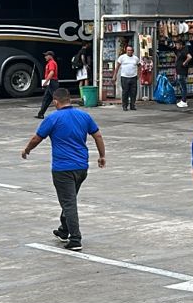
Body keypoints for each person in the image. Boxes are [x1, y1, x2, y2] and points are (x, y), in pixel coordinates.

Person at [22, 87, 106, 253]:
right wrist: (102, 156)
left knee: (69, 203)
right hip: (82, 168)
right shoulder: (84, 116)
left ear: (55, 101)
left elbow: (36, 138)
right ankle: (63, 230)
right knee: (69, 199)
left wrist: (27, 150)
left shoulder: (53, 118)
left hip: (63, 169)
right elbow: (98, 135)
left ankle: (75, 239)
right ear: (70, 100)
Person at [115, 44, 142, 111]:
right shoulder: (122, 57)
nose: (129, 51)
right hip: (124, 77)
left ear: (133, 51)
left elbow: (139, 66)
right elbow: (117, 67)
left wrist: (139, 74)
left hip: (133, 77)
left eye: (130, 50)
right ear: (126, 50)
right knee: (125, 92)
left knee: (133, 92)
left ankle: (132, 105)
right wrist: (114, 75)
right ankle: (125, 106)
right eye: (128, 50)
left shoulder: (136, 58)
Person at [34, 50, 60, 119]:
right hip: (50, 82)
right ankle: (41, 114)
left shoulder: (51, 63)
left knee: (56, 98)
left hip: (52, 82)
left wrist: (46, 82)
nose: (45, 57)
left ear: (50, 56)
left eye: (46, 55)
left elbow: (51, 73)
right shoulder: (49, 63)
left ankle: (62, 112)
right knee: (46, 99)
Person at [175, 42, 193, 109]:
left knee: (183, 86)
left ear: (181, 45)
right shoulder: (179, 51)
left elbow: (190, 57)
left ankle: (184, 101)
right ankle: (183, 100)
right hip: (179, 71)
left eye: (177, 44)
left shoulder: (184, 50)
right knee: (181, 86)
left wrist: (184, 63)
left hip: (182, 71)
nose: (176, 46)